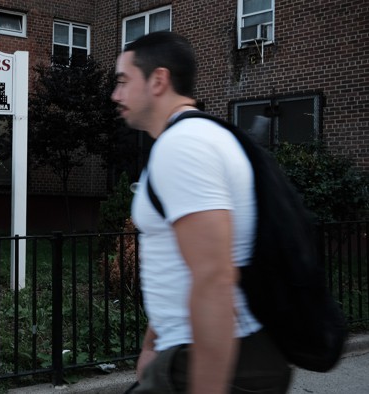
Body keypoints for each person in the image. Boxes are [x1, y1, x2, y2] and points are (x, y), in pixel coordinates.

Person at [112, 31, 291, 393]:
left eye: (123, 81)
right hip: (191, 352)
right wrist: (151, 345)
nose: (116, 95)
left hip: (219, 360)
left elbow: (213, 276)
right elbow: (179, 264)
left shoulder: (184, 147)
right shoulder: (192, 138)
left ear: (158, 80)